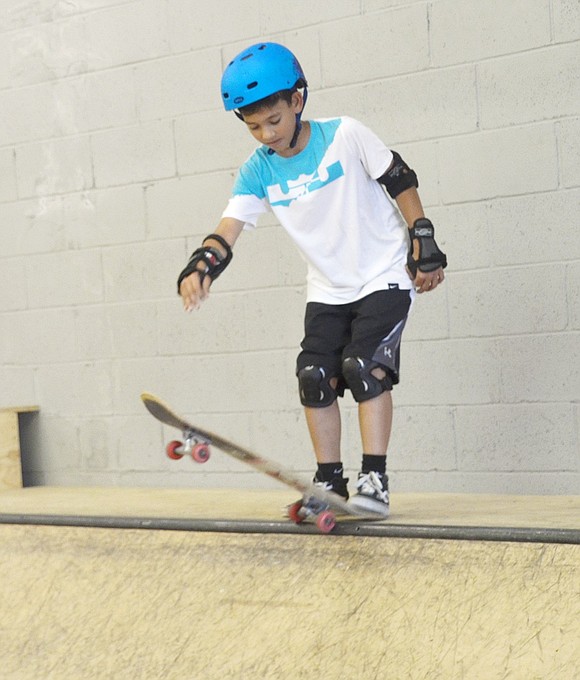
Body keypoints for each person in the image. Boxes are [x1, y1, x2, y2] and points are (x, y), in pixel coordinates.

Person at [177, 42, 447, 517]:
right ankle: (329, 482)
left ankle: (375, 479)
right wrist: (202, 265)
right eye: (254, 125)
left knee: (364, 366)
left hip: (383, 273)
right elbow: (228, 228)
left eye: (274, 120)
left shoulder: (345, 135)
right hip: (327, 287)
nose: (266, 134)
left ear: (297, 101)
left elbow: (399, 177)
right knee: (314, 376)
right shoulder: (257, 170)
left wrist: (421, 239)